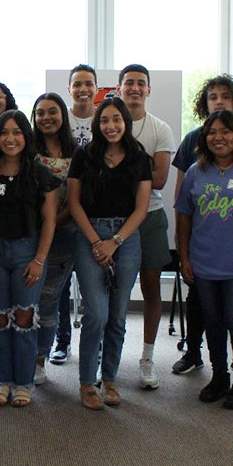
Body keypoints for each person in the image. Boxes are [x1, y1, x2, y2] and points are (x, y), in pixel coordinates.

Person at [170, 74, 233, 378]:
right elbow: (183, 199)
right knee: (204, 310)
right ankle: (196, 354)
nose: (218, 101)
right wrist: (185, 253)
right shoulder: (194, 142)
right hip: (203, 250)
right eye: (212, 96)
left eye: (225, 96)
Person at [68, 97, 151, 410]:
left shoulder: (139, 157)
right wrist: (96, 242)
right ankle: (87, 383)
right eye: (104, 120)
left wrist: (114, 241)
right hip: (89, 234)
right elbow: (74, 203)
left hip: (126, 238)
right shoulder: (84, 155)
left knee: (117, 316)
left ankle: (110, 379)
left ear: (125, 122)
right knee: (96, 314)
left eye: (116, 119)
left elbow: (141, 208)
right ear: (96, 124)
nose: (111, 126)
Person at [0, 110, 60, 407]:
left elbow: (49, 221)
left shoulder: (40, 174)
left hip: (28, 252)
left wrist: (40, 260)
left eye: (17, 132)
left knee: (24, 318)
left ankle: (24, 382)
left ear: (26, 136)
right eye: (4, 132)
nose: (10, 138)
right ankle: (3, 380)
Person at [117, 64, 175, 390]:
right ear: (119, 88)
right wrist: (141, 172)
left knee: (151, 286)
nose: (135, 88)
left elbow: (161, 179)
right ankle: (109, 354)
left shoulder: (159, 128)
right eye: (129, 83)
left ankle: (147, 358)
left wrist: (119, 174)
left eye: (141, 83)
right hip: (114, 218)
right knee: (114, 291)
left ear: (149, 90)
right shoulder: (109, 124)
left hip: (150, 217)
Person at [32, 92, 80, 374]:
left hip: (64, 235)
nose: (46, 117)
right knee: (26, 301)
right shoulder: (27, 150)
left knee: (49, 301)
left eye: (52, 111)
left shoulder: (78, 153)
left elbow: (78, 199)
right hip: (29, 236)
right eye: (40, 113)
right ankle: (21, 357)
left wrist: (54, 223)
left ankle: (40, 360)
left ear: (63, 115)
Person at [67, 64, 97, 147]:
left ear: (96, 89)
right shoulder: (62, 117)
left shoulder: (103, 117)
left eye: (89, 84)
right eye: (77, 85)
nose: (83, 89)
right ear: (69, 90)